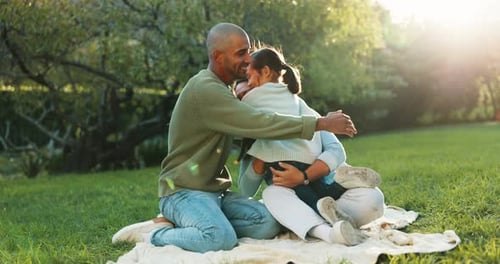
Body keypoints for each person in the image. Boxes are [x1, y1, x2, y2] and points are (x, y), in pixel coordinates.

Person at [111, 22, 360, 252]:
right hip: (182, 192)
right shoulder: (206, 90)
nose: (248, 59)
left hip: (215, 193)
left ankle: (192, 224)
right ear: (218, 56)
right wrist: (321, 123)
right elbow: (258, 123)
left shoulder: (225, 89)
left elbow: (260, 124)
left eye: (248, 51)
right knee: (220, 238)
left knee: (269, 224)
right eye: (241, 53)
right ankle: (155, 233)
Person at [233, 47, 383, 245]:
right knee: (272, 194)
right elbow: (245, 191)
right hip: (293, 195)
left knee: (373, 199)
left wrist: (303, 176)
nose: (248, 96)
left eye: (251, 88)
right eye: (240, 97)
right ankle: (331, 231)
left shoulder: (302, 110)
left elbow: (336, 151)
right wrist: (260, 155)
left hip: (321, 187)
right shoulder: (251, 134)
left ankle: (325, 218)